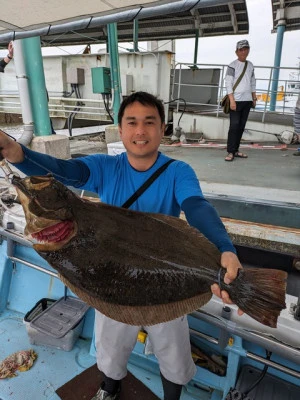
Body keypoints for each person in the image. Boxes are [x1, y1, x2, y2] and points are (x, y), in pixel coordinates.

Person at [0, 91, 243, 400]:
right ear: (122, 128)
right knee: (110, 349)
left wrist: (224, 247)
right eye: (132, 122)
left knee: (175, 356)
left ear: (162, 128)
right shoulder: (105, 167)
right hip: (111, 277)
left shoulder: (178, 172)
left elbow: (196, 207)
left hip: (162, 277)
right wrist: (16, 152)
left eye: (149, 122)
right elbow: (63, 172)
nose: (140, 131)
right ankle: (109, 389)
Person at [224, 40, 257, 162]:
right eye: (241, 49)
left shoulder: (250, 65)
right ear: (236, 51)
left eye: (246, 49)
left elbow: (253, 82)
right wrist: (232, 100)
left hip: (247, 100)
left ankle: (236, 150)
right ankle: (230, 151)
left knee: (241, 126)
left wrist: (254, 97)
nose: (244, 51)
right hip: (236, 100)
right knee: (234, 126)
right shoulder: (232, 65)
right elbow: (228, 83)